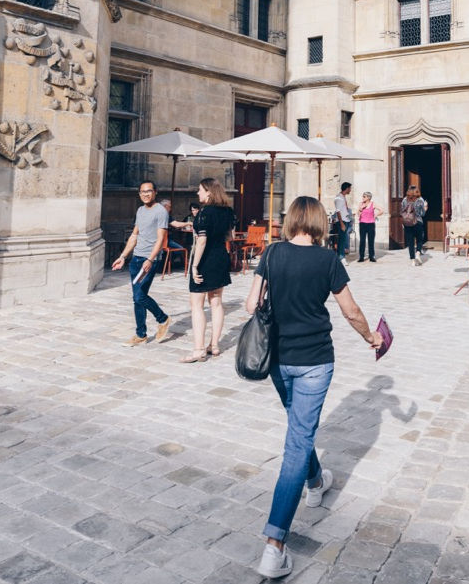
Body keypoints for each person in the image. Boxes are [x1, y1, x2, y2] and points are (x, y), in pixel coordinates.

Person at [245, 196, 383, 579]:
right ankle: (274, 545)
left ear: (291, 220)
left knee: (299, 431)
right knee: (297, 443)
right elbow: (350, 310)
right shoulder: (328, 260)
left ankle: (317, 480)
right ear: (320, 222)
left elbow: (251, 303)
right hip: (314, 362)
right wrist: (371, 336)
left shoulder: (271, 254)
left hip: (277, 360)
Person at [180, 178, 235, 362]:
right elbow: (230, 236)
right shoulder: (228, 211)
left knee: (196, 304)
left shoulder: (205, 213)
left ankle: (198, 349)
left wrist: (195, 265)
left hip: (205, 260)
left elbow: (202, 241)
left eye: (200, 189)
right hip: (221, 257)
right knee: (217, 302)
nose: (198, 193)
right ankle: (215, 345)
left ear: (209, 192)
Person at [111, 180, 171, 346]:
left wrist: (150, 259)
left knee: (139, 296)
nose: (146, 194)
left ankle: (163, 318)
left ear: (155, 192)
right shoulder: (140, 210)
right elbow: (134, 236)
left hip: (149, 260)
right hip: (136, 259)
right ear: (139, 194)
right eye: (143, 191)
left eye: (149, 191)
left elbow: (161, 238)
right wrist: (123, 256)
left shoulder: (161, 211)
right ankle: (141, 334)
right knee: (137, 298)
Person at [400, 185, 426, 267]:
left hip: (408, 222)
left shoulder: (405, 199)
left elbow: (402, 211)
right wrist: (425, 207)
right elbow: (423, 214)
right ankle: (418, 253)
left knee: (410, 242)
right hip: (418, 222)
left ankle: (412, 261)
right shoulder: (420, 200)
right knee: (419, 239)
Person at [357, 192, 382, 262]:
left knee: (371, 241)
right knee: (362, 241)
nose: (363, 198)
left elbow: (381, 210)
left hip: (371, 224)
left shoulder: (373, 204)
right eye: (362, 196)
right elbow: (358, 214)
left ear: (368, 197)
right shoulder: (360, 204)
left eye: (364, 196)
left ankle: (372, 256)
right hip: (362, 224)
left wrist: (376, 215)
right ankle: (361, 257)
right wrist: (361, 209)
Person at [333, 182, 352, 264]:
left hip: (346, 220)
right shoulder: (338, 198)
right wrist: (341, 223)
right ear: (346, 188)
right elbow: (338, 211)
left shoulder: (343, 197)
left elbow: (344, 210)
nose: (350, 190)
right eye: (350, 188)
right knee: (342, 240)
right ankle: (341, 257)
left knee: (343, 240)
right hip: (342, 221)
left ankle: (340, 257)